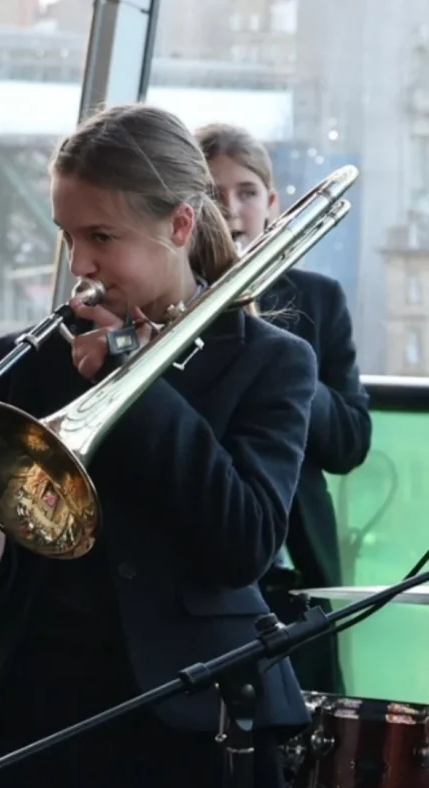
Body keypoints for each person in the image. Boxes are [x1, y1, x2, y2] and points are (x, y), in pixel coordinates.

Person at [0, 103, 317, 787]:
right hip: (46, 714)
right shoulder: (31, 359)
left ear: (180, 224)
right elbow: (15, 587)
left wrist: (134, 383)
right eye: (68, 235)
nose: (80, 263)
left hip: (198, 719)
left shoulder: (270, 362)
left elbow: (244, 541)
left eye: (102, 235)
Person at [197, 121, 371, 696]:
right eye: (214, 196)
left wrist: (278, 355)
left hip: (298, 567)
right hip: (208, 560)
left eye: (246, 193)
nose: (232, 210)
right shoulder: (169, 303)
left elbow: (349, 442)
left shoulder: (318, 299)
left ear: (272, 204)